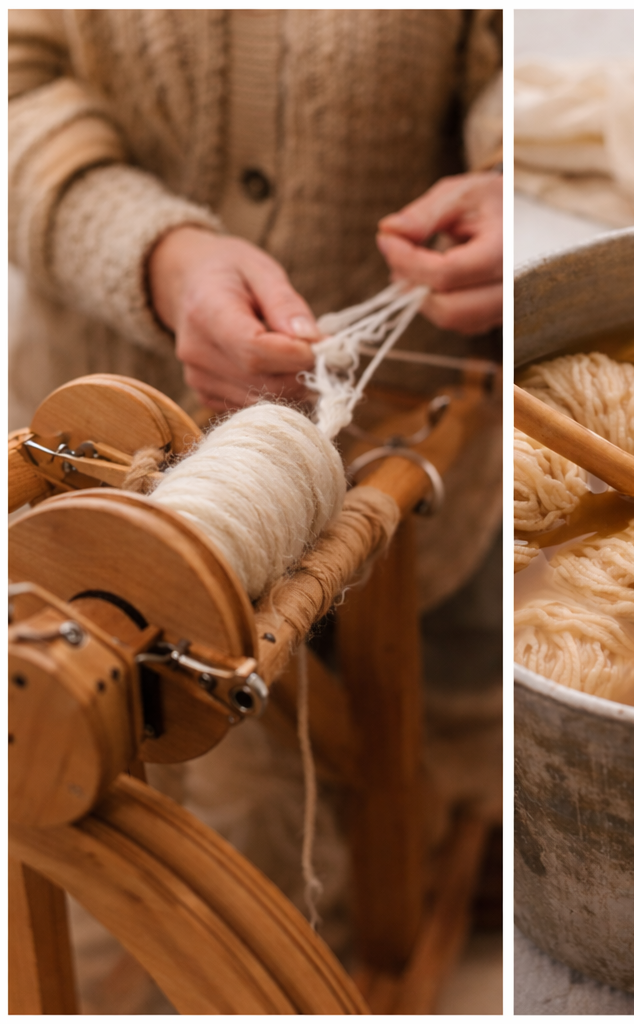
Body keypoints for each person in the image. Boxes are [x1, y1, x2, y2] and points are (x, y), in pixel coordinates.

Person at [8, 8, 503, 981]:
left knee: (423, 790)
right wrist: (162, 257)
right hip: (110, 430)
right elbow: (15, 85)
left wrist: (509, 177)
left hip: (409, 432)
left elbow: (511, 59)